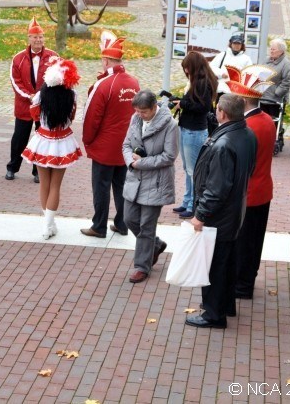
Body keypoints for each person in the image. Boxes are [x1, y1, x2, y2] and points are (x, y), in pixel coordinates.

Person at [186, 94, 257, 329]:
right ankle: (225, 306)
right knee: (225, 262)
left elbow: (216, 188)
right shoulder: (247, 134)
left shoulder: (223, 144)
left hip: (219, 216)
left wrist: (200, 215)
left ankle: (214, 314)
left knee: (215, 265)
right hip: (234, 212)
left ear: (222, 113)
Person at [80, 30, 140, 239]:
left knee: (101, 187)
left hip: (105, 147)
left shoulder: (104, 84)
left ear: (106, 60)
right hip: (126, 146)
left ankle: (99, 226)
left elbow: (91, 117)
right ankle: (122, 223)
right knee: (122, 186)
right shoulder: (134, 82)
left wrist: (87, 141)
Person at [224, 68, 277, 300]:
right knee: (254, 242)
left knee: (243, 245)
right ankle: (246, 282)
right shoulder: (266, 120)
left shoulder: (247, 127)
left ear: (244, 101)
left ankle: (242, 286)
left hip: (248, 193)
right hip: (262, 190)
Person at [121, 89, 178, 283]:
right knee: (129, 218)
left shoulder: (170, 125)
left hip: (156, 182)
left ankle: (141, 267)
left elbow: (169, 156)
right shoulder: (135, 119)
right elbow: (126, 145)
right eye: (137, 111)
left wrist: (141, 163)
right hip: (135, 179)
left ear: (154, 107)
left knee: (146, 225)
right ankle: (155, 244)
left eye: (143, 111)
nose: (139, 114)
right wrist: (131, 162)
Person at [22, 57, 82, 240]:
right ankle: (49, 224)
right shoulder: (72, 95)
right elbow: (72, 117)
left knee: (44, 184)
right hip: (63, 142)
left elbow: (34, 116)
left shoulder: (40, 95)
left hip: (43, 140)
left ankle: (48, 225)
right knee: (56, 186)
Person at [7, 17, 57, 183]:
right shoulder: (18, 58)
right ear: (29, 38)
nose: (38, 40)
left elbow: (58, 79)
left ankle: (38, 171)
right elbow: (15, 81)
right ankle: (12, 167)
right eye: (35, 37)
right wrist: (29, 96)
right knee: (19, 138)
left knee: (42, 139)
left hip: (44, 106)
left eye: (41, 37)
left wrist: (43, 96)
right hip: (24, 106)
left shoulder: (53, 57)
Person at [171, 51, 218, 220]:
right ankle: (187, 201)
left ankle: (193, 204)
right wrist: (181, 101)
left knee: (193, 171)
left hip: (194, 131)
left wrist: (182, 103)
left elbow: (202, 107)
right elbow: (194, 102)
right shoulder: (197, 81)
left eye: (187, 68)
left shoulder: (203, 83)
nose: (186, 71)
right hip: (187, 129)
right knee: (187, 169)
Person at [260, 38, 290, 115]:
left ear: (281, 51)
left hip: (275, 100)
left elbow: (287, 81)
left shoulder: (286, 64)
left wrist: (277, 93)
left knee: (273, 120)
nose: (271, 51)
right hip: (263, 97)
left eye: (273, 49)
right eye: (270, 49)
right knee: (263, 119)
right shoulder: (266, 60)